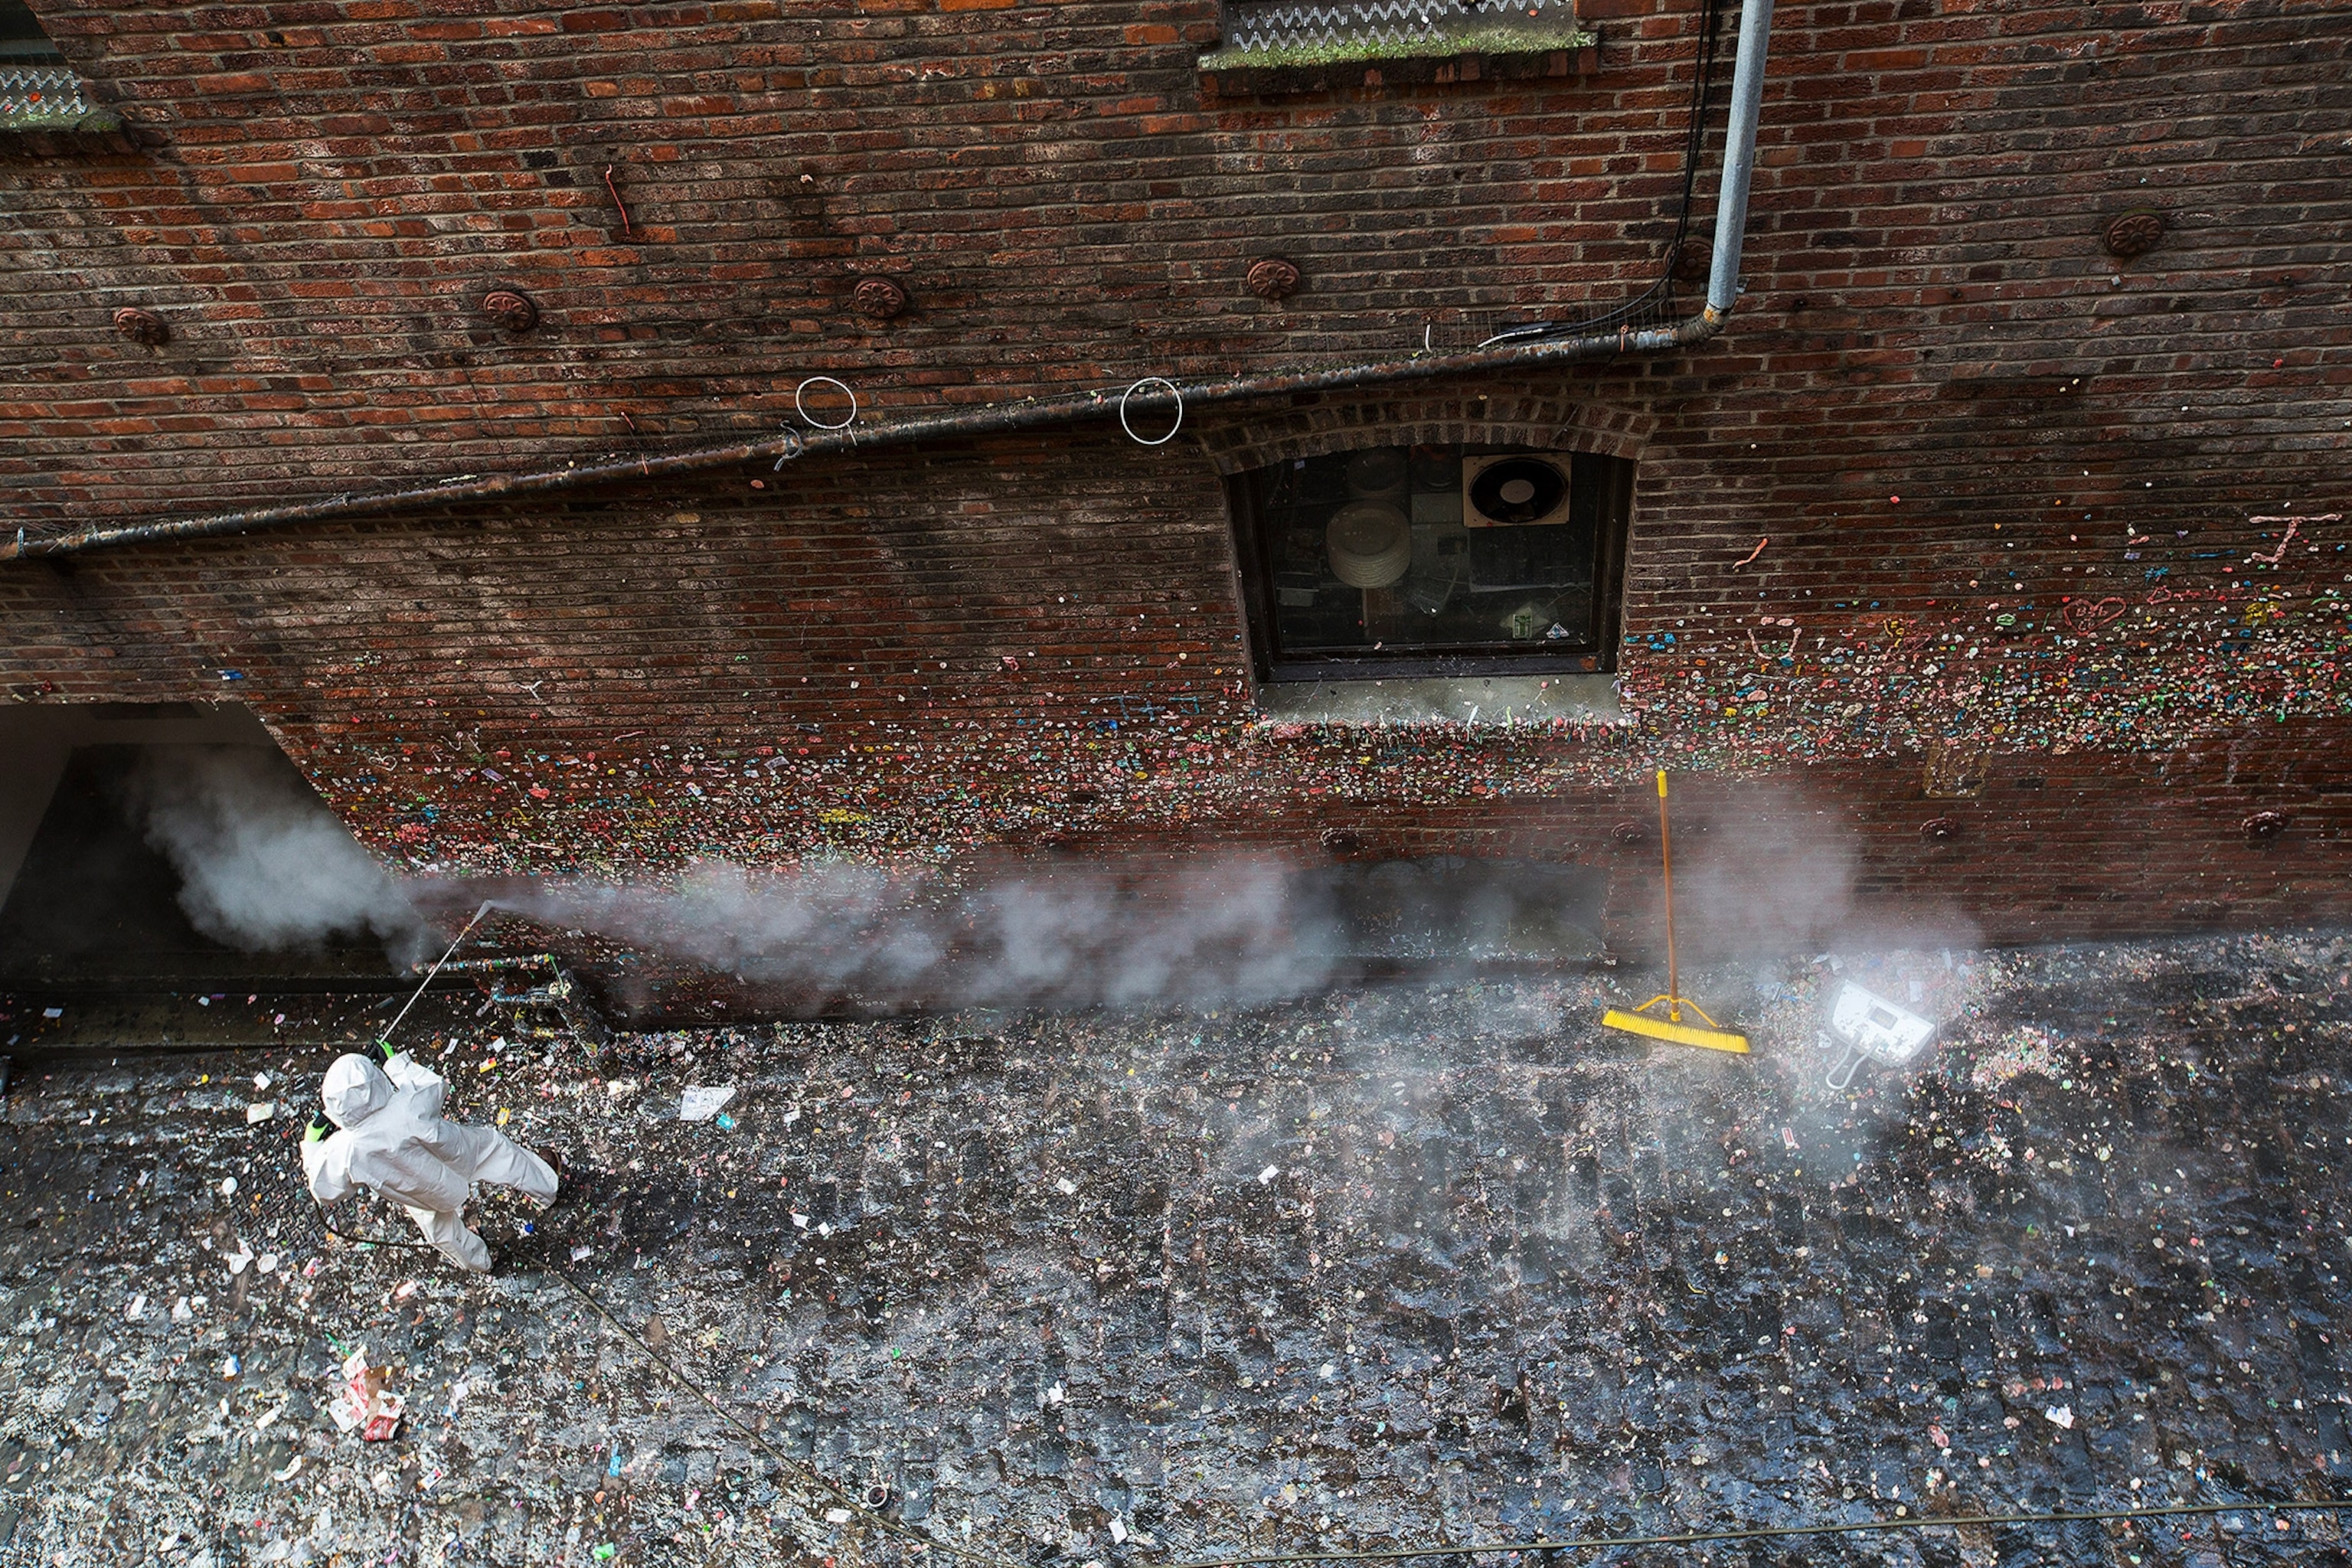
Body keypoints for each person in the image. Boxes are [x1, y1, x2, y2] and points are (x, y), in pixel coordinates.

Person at [301, 1040, 560, 1274]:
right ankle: (547, 1188)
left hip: (418, 1191)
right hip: (461, 1153)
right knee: (503, 1154)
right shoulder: (408, 1102)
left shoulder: (344, 1149)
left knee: (442, 1233)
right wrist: (394, 1063)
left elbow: (324, 1191)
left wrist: (312, 1144)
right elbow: (436, 1085)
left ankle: (482, 1261)